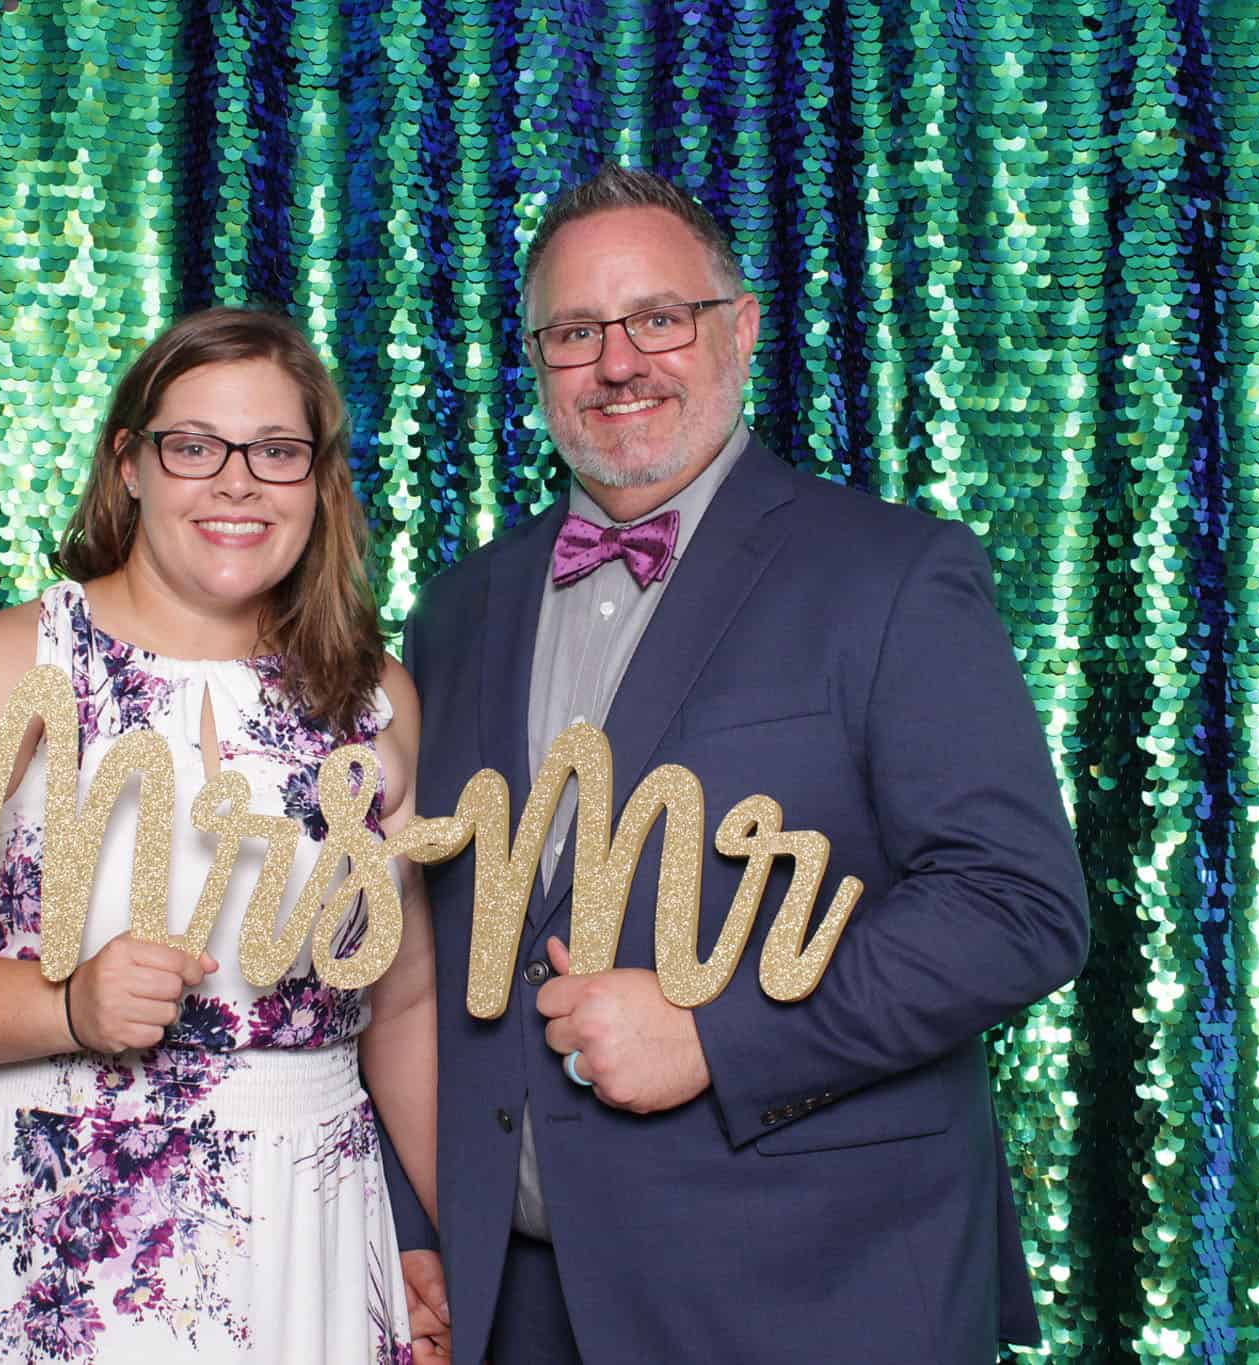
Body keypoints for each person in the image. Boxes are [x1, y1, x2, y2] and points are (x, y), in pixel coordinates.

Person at [389, 164, 1089, 1364]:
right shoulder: (456, 611)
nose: (618, 363)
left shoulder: (890, 576)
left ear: (741, 327)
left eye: (659, 318)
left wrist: (717, 1034)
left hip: (810, 1295)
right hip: (510, 1309)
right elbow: (407, 951)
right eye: (575, 332)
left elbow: (1014, 907)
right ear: (536, 356)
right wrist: (407, 1222)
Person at [0, 307, 436, 1364]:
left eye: (276, 451)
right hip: (47, 1220)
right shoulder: (0, 668)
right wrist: (64, 1004)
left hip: (307, 1216)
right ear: (129, 464)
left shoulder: (374, 701)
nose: (237, 482)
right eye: (193, 446)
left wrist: (440, 1237)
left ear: (317, 480)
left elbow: (401, 1000)